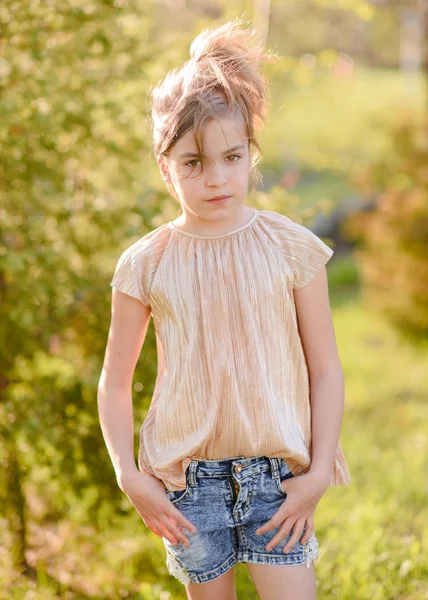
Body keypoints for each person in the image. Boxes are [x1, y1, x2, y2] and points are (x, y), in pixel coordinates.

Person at [98, 16, 351, 600]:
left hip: (278, 482)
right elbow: (113, 384)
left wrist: (315, 476)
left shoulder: (291, 247)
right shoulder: (147, 263)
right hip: (189, 490)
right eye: (193, 163)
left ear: (250, 154)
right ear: (166, 167)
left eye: (231, 157)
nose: (216, 178)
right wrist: (129, 476)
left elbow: (326, 368)